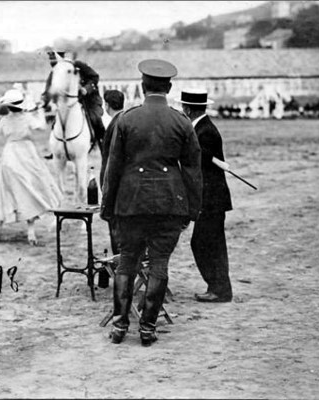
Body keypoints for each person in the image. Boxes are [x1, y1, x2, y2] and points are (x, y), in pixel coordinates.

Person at [101, 59, 202, 347]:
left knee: (127, 264)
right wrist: (191, 210)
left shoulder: (125, 119)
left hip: (131, 204)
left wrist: (108, 207)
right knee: (159, 265)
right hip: (170, 204)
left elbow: (112, 167)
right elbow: (194, 171)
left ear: (142, 86)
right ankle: (147, 329)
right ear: (169, 87)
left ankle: (120, 327)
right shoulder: (182, 121)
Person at [179, 90, 234, 303]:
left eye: (183, 108)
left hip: (211, 199)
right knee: (209, 243)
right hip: (211, 198)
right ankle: (219, 287)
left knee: (206, 243)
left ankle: (219, 289)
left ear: (188, 109)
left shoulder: (205, 131)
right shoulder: (201, 128)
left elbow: (201, 163)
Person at [0, 88, 63, 243]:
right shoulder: (27, 118)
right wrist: (38, 111)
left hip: (10, 154)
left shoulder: (4, 120)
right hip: (26, 154)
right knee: (30, 190)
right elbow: (42, 126)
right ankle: (30, 232)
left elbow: (4, 131)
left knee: (7, 191)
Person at [41, 51, 106, 152]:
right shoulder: (55, 71)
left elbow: (94, 77)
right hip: (67, 103)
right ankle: (56, 148)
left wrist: (86, 88)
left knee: (95, 118)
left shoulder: (79, 66)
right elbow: (49, 88)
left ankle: (104, 147)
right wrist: (44, 100)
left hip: (88, 100)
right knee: (55, 120)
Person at [98, 89, 125, 288]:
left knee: (117, 234)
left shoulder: (115, 124)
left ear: (107, 106)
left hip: (116, 189)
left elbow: (111, 161)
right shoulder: (126, 119)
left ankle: (121, 275)